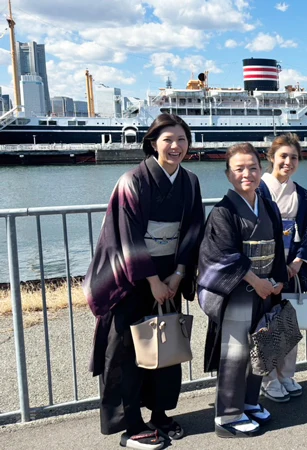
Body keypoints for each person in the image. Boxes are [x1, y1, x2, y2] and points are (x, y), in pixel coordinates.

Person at [84, 114, 204, 449]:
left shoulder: (190, 182)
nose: (176, 146)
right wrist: (151, 279)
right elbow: (126, 236)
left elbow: (193, 230)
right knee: (125, 350)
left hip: (170, 277)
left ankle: (160, 414)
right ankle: (130, 425)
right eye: (168, 139)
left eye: (182, 139)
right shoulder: (132, 181)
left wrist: (179, 274)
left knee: (165, 346)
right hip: (131, 278)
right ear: (153, 143)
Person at [198, 143, 288, 437]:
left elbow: (277, 247)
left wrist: (277, 279)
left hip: (265, 290)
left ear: (261, 171)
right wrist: (255, 281)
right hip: (238, 291)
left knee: (261, 347)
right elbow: (222, 256)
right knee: (235, 354)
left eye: (252, 167)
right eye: (239, 169)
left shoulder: (269, 206)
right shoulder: (223, 212)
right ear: (228, 174)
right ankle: (227, 416)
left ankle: (249, 402)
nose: (246, 174)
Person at [257, 133, 307, 402]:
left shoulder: (303, 195)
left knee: (289, 321)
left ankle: (287, 374)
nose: (288, 161)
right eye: (283, 156)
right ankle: (268, 378)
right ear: (271, 157)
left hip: (293, 268)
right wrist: (274, 267)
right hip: (264, 267)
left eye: (294, 157)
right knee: (266, 325)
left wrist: (297, 261)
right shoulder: (258, 188)